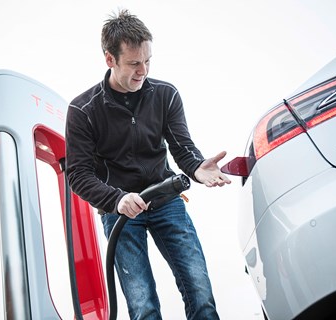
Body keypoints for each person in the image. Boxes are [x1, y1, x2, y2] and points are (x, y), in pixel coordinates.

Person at [65, 8, 231, 320]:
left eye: (147, 60)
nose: (143, 70)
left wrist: (197, 168)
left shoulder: (166, 95)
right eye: (134, 63)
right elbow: (78, 174)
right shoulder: (83, 111)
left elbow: (182, 147)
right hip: (122, 214)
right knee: (142, 307)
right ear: (110, 59)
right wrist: (117, 199)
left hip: (166, 202)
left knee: (200, 292)